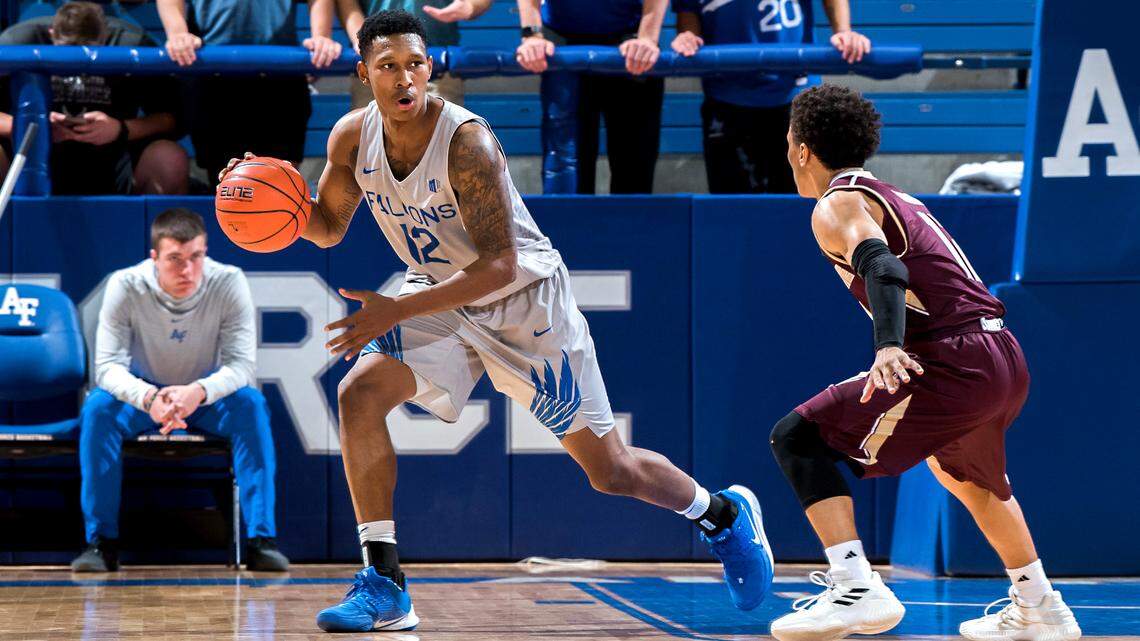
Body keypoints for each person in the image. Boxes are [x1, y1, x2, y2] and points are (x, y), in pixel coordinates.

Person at [220, 10, 771, 632]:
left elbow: (498, 266)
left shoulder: (467, 142)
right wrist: (263, 190)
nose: (405, 80)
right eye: (388, 67)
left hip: (523, 301)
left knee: (610, 471)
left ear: (431, 68)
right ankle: (384, 582)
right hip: (438, 293)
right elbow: (324, 226)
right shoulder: (351, 137)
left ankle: (721, 515)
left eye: (416, 65)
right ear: (363, 73)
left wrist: (393, 310)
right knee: (359, 395)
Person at [767, 84, 1081, 641]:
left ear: (801, 150)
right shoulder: (891, 194)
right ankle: (1041, 608)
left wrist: (888, 346)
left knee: (798, 437)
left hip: (954, 358)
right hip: (1000, 352)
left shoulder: (837, 203)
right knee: (968, 478)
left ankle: (855, 587)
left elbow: (884, 268)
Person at [73, 208, 289, 573]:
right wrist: (149, 398)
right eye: (175, 259)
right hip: (141, 398)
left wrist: (199, 392)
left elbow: (242, 366)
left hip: (203, 398)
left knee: (251, 404)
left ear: (206, 252)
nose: (187, 270)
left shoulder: (228, 281)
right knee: (97, 409)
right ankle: (101, 543)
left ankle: (259, 541)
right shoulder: (125, 284)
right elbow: (107, 368)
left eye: (196, 257)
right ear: (154, 257)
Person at [670, 0, 870, 194]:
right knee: (733, 208)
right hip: (727, 96)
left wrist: (843, 31)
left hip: (795, 94)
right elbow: (688, 8)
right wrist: (688, 35)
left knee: (802, 207)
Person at [0, 1, 188, 195]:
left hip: (113, 158)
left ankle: (165, 226)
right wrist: (28, 126)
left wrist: (120, 129)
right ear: (51, 33)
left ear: (104, 37)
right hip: (31, 157)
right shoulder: (19, 42)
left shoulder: (131, 44)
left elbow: (171, 119)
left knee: (169, 159)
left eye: (88, 52)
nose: (76, 65)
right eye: (67, 51)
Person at [156, 0, 342, 184]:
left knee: (281, 186)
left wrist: (321, 37)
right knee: (226, 185)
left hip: (280, 80)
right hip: (213, 78)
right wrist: (178, 33)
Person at [515, 0, 668, 194]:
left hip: (629, 35)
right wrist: (532, 35)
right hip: (562, 36)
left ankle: (630, 222)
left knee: (634, 164)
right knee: (568, 164)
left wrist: (647, 37)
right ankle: (568, 223)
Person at [335, 0, 492, 108]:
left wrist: (469, 6)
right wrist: (361, 37)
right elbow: (347, 3)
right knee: (368, 146)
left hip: (438, 69)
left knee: (441, 145)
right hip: (375, 69)